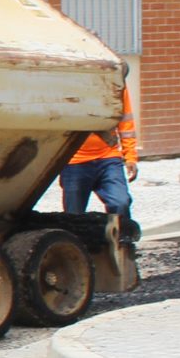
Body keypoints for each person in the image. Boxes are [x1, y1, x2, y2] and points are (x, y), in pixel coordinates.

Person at [61, 82, 140, 243]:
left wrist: (130, 156)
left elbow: (126, 121)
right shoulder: (65, 82)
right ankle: (78, 255)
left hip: (108, 158)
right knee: (74, 217)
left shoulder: (115, 83)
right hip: (74, 162)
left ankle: (123, 248)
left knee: (120, 202)